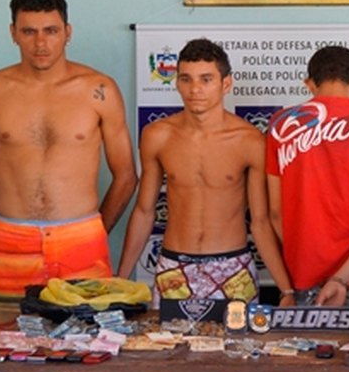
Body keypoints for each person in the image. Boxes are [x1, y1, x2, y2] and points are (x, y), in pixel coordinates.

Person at [0, 0, 137, 339]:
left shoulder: (98, 90)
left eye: (51, 31)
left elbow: (126, 176)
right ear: (13, 33)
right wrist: (19, 217)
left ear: (68, 32)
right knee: (11, 346)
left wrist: (91, 231)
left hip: (83, 236)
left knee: (90, 343)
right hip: (12, 239)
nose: (40, 43)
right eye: (29, 31)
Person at [116, 38, 293, 306]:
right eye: (186, 79)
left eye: (206, 79)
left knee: (237, 348)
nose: (195, 89)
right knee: (164, 347)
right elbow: (144, 211)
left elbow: (260, 221)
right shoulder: (157, 136)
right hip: (173, 267)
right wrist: (121, 278)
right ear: (176, 82)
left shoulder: (249, 140)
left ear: (226, 84)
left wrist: (286, 290)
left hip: (232, 268)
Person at [266, 45, 349, 308]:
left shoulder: (281, 125)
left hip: (304, 275)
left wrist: (307, 255)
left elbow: (276, 213)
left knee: (304, 350)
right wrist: (341, 278)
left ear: (309, 84)